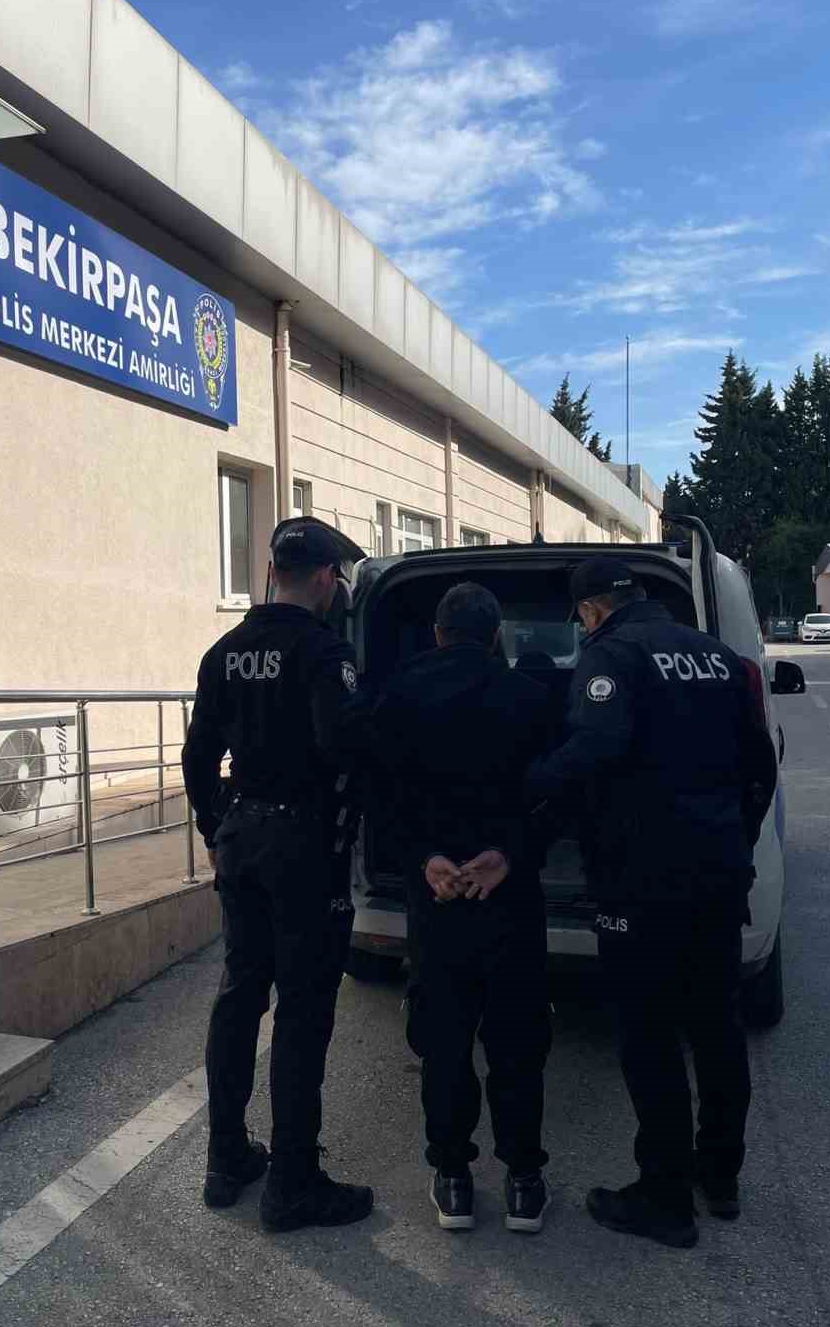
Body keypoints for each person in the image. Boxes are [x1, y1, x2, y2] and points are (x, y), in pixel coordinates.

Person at [525, 559, 778, 1249]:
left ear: (591, 611)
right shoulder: (717, 657)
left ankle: (663, 1196)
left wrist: (523, 787)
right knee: (717, 1027)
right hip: (717, 873)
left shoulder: (612, 656)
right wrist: (735, 840)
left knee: (648, 1034)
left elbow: (596, 747)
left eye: (581, 619)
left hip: (641, 879)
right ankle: (719, 1176)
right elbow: (760, 764)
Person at [182, 518, 373, 1233]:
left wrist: (214, 830)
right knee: (302, 1008)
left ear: (272, 573)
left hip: (242, 835)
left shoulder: (224, 652)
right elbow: (339, 743)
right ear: (324, 578)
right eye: (337, 580)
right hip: (302, 845)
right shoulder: (325, 651)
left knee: (239, 995)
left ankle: (226, 1156)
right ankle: (293, 1181)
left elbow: (198, 757)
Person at [349, 583, 555, 1234]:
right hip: (508, 895)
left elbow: (377, 792)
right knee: (516, 1039)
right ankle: (524, 1181)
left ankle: (454, 1180)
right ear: (495, 637)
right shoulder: (529, 696)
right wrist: (509, 855)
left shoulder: (400, 693)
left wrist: (424, 859)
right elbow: (557, 792)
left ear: (438, 634)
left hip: (435, 896)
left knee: (444, 1039)